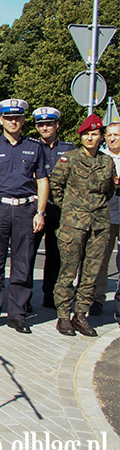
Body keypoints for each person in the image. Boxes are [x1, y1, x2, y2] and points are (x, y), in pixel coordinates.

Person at [0, 99, 48, 334]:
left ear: (24, 120)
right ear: (1, 120)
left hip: (26, 210)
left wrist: (40, 212)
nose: (13, 122)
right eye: (8, 118)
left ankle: (18, 315)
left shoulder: (35, 147)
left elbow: (41, 181)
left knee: (23, 263)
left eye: (17, 118)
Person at [50, 114, 116, 336]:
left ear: (101, 137)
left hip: (99, 226)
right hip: (73, 225)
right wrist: (71, 208)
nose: (90, 138)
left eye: (94, 134)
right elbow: (56, 187)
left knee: (91, 273)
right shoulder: (69, 159)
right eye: (86, 134)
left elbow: (109, 192)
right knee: (68, 272)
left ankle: (81, 316)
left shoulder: (107, 162)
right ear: (81, 137)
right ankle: (63, 317)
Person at [29, 107, 76, 312]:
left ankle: (50, 296)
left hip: (59, 209)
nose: (44, 128)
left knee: (55, 254)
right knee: (28, 254)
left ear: (57, 125)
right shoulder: (31, 147)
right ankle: (25, 297)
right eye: (40, 124)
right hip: (36, 208)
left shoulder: (69, 149)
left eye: (48, 124)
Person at [93, 122, 120, 316]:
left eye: (117, 135)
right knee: (101, 259)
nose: (112, 138)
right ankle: (97, 299)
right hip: (106, 216)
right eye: (109, 135)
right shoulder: (99, 159)